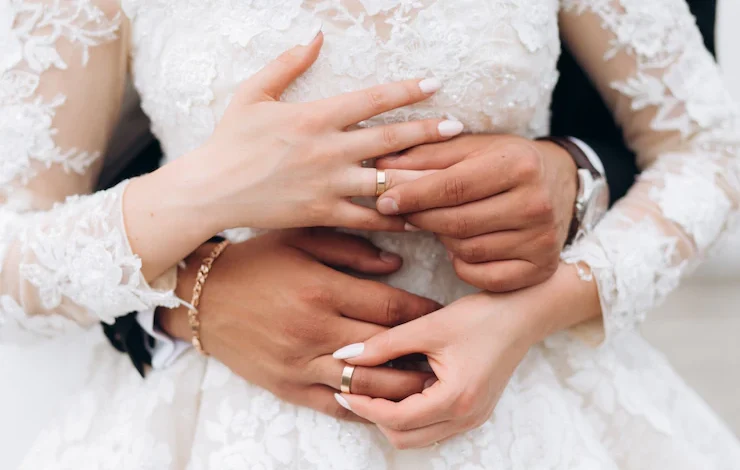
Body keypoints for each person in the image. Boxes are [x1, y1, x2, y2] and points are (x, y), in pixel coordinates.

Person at [3, 1, 739, 468]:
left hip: (529, 398)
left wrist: (533, 308)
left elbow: (710, 147)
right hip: (219, 423)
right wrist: (203, 205)